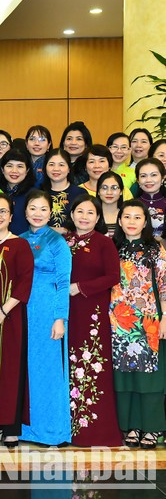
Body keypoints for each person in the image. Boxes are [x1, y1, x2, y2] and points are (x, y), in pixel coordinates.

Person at [63, 194, 122, 447]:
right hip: (65, 312)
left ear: (98, 217)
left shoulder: (103, 243)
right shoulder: (63, 241)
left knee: (91, 365)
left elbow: (113, 276)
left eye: (90, 212)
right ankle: (64, 428)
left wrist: (80, 287)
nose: (84, 217)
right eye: (79, 211)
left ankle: (93, 431)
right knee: (66, 364)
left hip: (92, 313)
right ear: (72, 214)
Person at [110, 200, 166, 449]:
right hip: (117, 322)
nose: (131, 222)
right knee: (124, 377)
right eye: (127, 217)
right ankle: (130, 426)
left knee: (149, 377)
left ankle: (152, 428)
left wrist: (165, 318)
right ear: (119, 221)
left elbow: (164, 286)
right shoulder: (112, 248)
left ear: (145, 222)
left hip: (148, 321)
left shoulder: (155, 250)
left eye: (137, 217)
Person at [0, 193, 34, 447]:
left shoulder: (20, 245)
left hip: (11, 317)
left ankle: (11, 427)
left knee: (11, 370)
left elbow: (25, 282)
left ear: (11, 217)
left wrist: (4, 310)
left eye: (3, 211)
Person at [19, 190, 72, 446]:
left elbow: (64, 283)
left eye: (43, 209)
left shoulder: (57, 242)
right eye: (33, 208)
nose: (37, 213)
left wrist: (60, 317)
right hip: (23, 309)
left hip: (48, 310)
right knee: (25, 369)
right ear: (25, 211)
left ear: (50, 213)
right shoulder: (19, 240)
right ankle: (25, 429)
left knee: (48, 369)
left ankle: (51, 430)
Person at [135, 158, 166, 241]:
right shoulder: (131, 206)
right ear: (138, 180)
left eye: (154, 175)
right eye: (143, 176)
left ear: (163, 178)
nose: (148, 180)